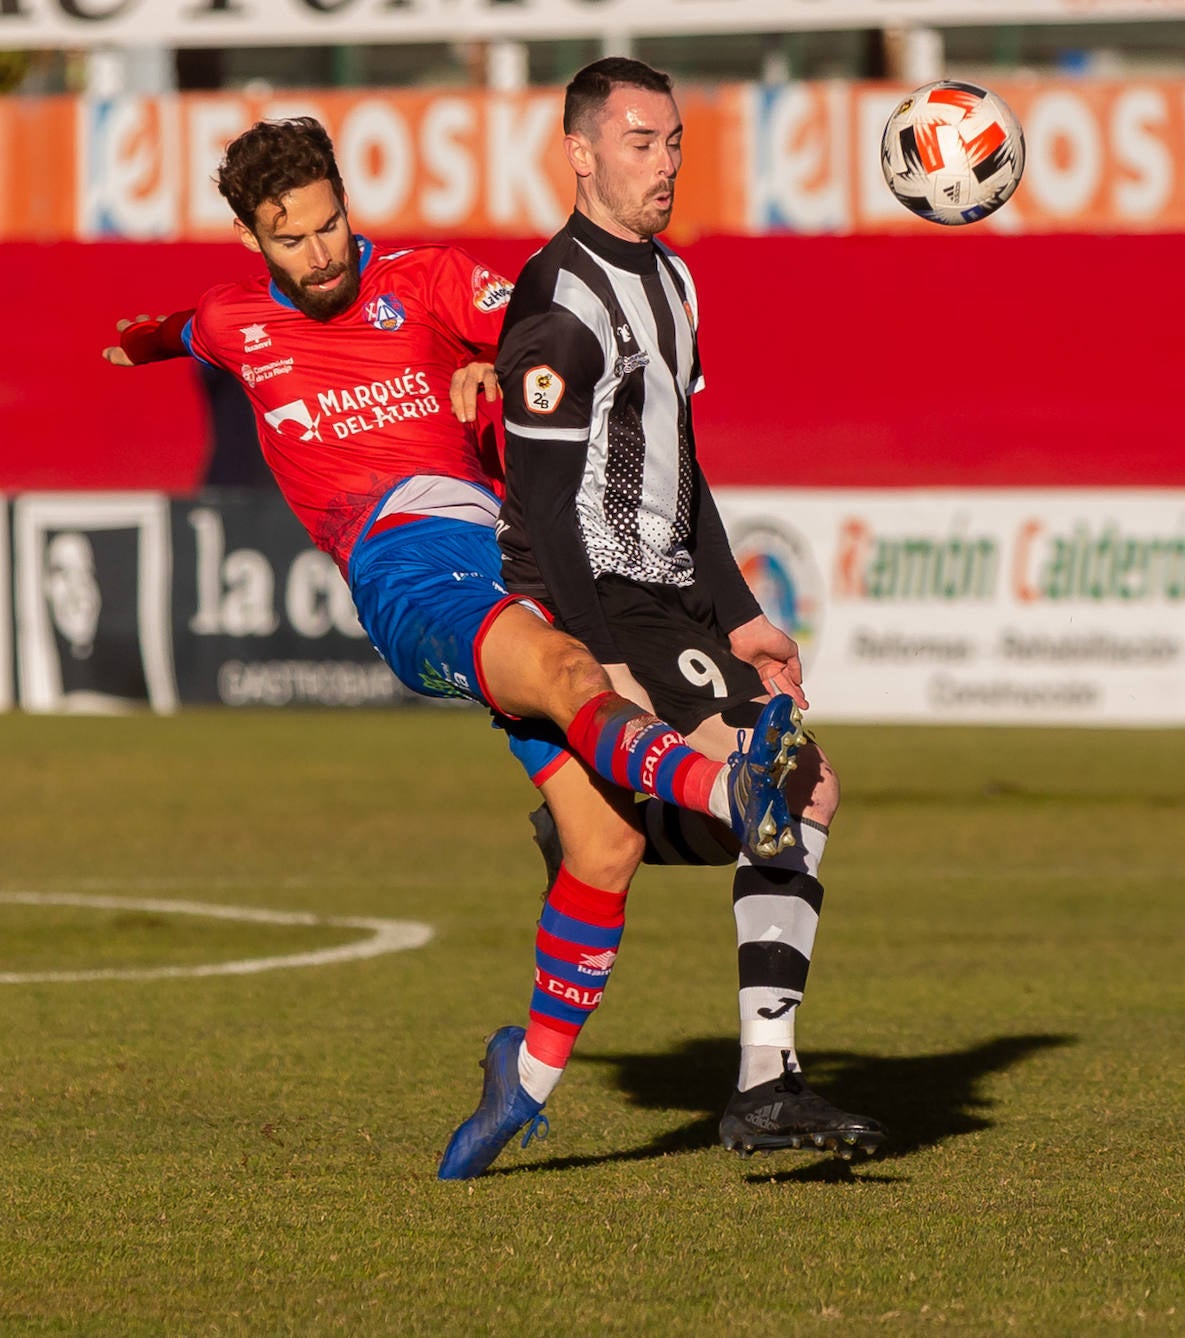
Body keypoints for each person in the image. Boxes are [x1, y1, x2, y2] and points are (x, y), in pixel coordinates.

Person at [100, 114, 807, 1177]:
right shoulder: (233, 320)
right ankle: (729, 794)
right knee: (574, 674)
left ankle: (521, 1082)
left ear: (348, 201)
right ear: (253, 241)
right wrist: (137, 337)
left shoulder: (424, 281)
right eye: (291, 241)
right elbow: (176, 331)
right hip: (404, 573)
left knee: (604, 848)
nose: (322, 253)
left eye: (333, 225)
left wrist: (495, 375)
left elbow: (536, 324)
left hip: (502, 550)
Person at [489, 58, 886, 1163]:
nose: (662, 164)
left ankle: (614, 821)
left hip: (675, 604)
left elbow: (684, 468)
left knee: (783, 795)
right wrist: (599, 661)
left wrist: (743, 614)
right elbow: (542, 504)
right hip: (601, 599)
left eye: (671, 142)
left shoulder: (672, 280)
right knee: (795, 787)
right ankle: (765, 1083)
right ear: (578, 152)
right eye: (636, 141)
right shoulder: (559, 300)